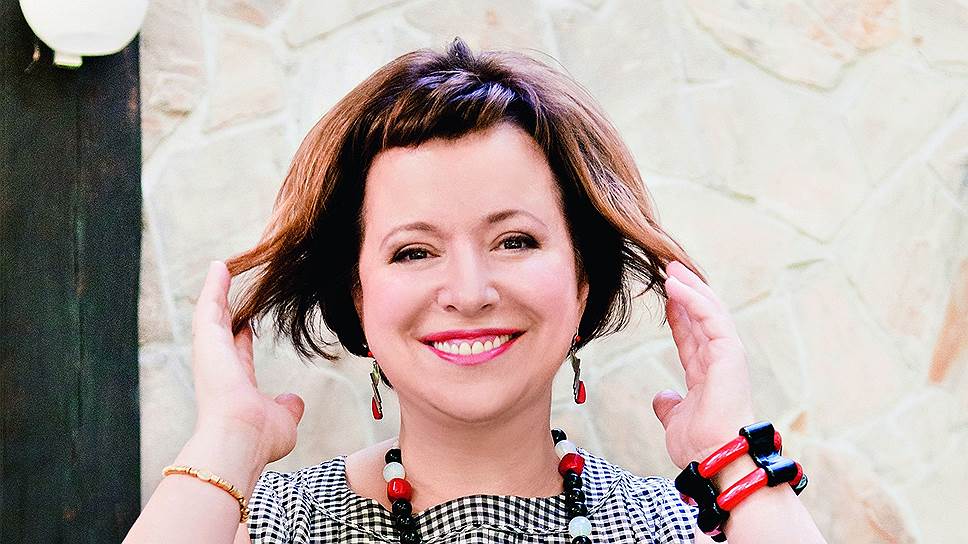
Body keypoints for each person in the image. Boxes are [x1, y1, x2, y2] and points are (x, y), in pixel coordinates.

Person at [125, 39, 827, 543]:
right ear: (358, 298)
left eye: (514, 241)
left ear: (582, 279)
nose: (468, 292)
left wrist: (732, 453)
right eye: (414, 251)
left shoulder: (673, 529)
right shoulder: (271, 525)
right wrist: (230, 437)